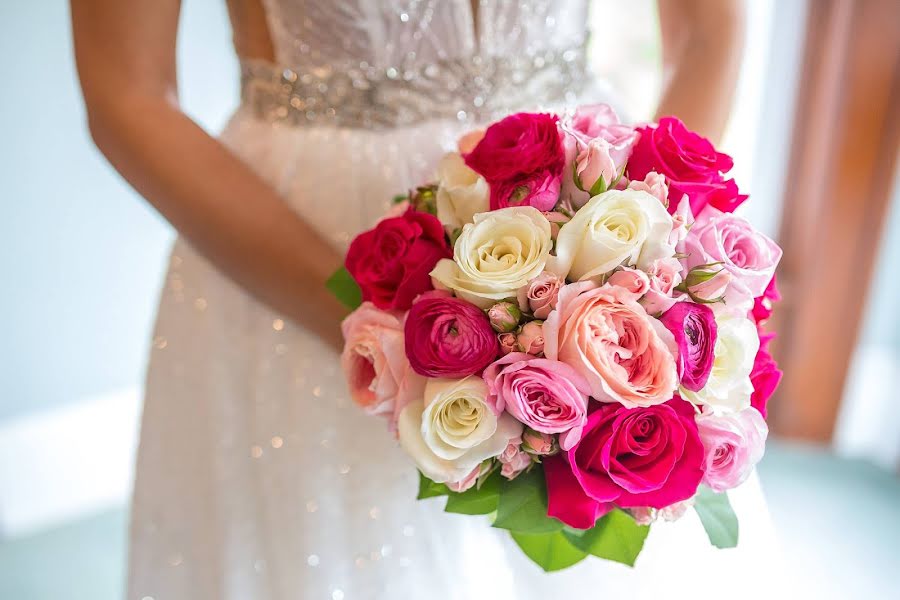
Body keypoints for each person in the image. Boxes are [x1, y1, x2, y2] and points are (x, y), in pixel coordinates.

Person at [73, 1, 772, 598]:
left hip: (585, 215)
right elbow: (126, 95)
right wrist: (374, 325)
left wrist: (653, 239)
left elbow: (711, 30)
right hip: (298, 246)